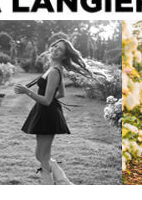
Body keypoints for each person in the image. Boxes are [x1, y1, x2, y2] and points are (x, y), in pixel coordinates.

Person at [14, 37, 94, 185]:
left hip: (47, 115)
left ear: (64, 55)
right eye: (55, 47)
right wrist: (49, 97)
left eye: (60, 49)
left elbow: (46, 101)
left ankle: (51, 185)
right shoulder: (53, 68)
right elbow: (61, 93)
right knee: (40, 155)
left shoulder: (55, 71)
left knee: (43, 156)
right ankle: (64, 181)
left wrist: (27, 91)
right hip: (44, 113)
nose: (56, 50)